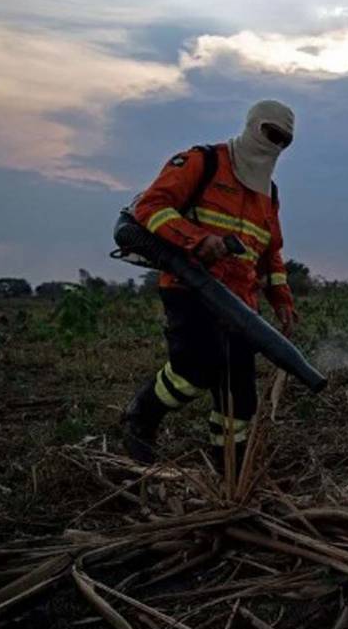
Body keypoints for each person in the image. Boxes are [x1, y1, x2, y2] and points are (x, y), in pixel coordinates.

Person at [120, 100, 298, 471]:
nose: (275, 144)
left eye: (284, 140)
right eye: (271, 133)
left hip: (240, 304)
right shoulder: (203, 163)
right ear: (252, 126)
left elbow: (271, 251)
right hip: (190, 288)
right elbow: (150, 208)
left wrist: (281, 297)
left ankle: (229, 466)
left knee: (239, 396)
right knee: (195, 369)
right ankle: (141, 416)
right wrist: (195, 239)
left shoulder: (269, 193)